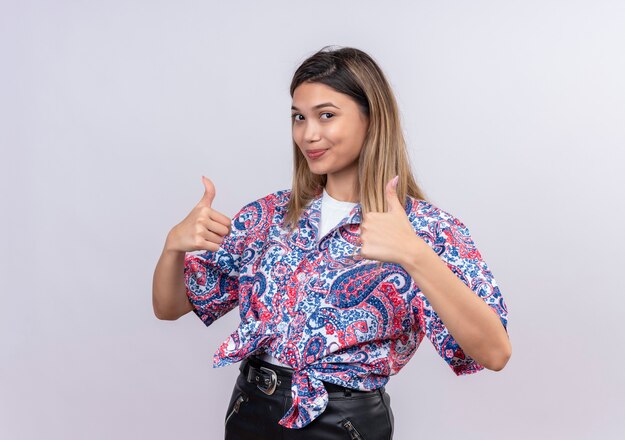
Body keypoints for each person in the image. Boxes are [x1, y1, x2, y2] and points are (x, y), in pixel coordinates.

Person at [152, 46, 511, 440]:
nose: (309, 134)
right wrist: (174, 248)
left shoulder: (426, 229)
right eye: (298, 117)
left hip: (341, 423)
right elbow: (169, 307)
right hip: (250, 411)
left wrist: (414, 255)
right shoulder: (269, 216)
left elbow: (494, 353)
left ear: (371, 119)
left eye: (326, 115)